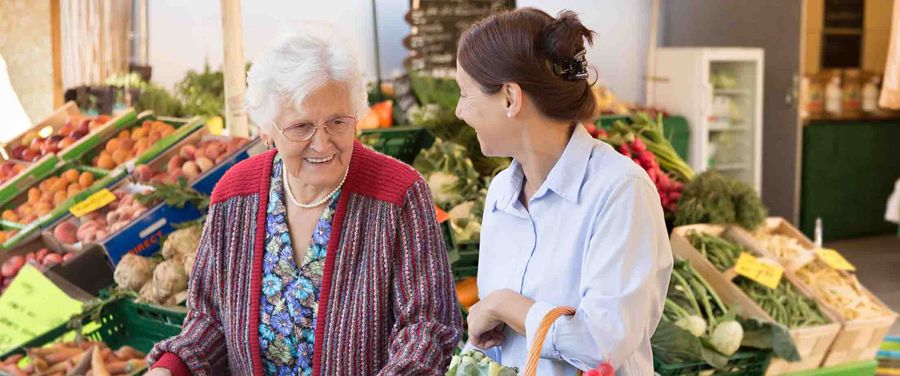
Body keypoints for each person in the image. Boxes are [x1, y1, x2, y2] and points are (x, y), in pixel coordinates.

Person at [146, 25, 461, 376]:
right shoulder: (236, 194)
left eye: (337, 122)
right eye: (301, 127)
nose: (322, 143)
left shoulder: (398, 195)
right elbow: (210, 319)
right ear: (266, 129)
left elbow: (427, 327)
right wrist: (169, 369)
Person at [455, 8, 673, 375]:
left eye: (466, 94)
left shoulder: (620, 191)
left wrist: (505, 304)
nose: (460, 111)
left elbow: (602, 345)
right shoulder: (500, 195)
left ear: (510, 97)